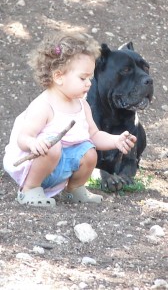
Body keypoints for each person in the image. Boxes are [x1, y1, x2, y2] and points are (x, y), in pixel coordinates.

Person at [3, 31, 137, 207]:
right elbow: (23, 137)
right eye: (83, 78)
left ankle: (74, 189)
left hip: (62, 167)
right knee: (52, 145)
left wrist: (115, 140)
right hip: (36, 167)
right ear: (59, 77)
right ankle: (29, 190)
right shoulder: (44, 106)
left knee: (89, 152)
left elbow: (94, 135)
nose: (89, 83)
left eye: (90, 77)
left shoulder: (82, 105)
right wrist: (34, 143)